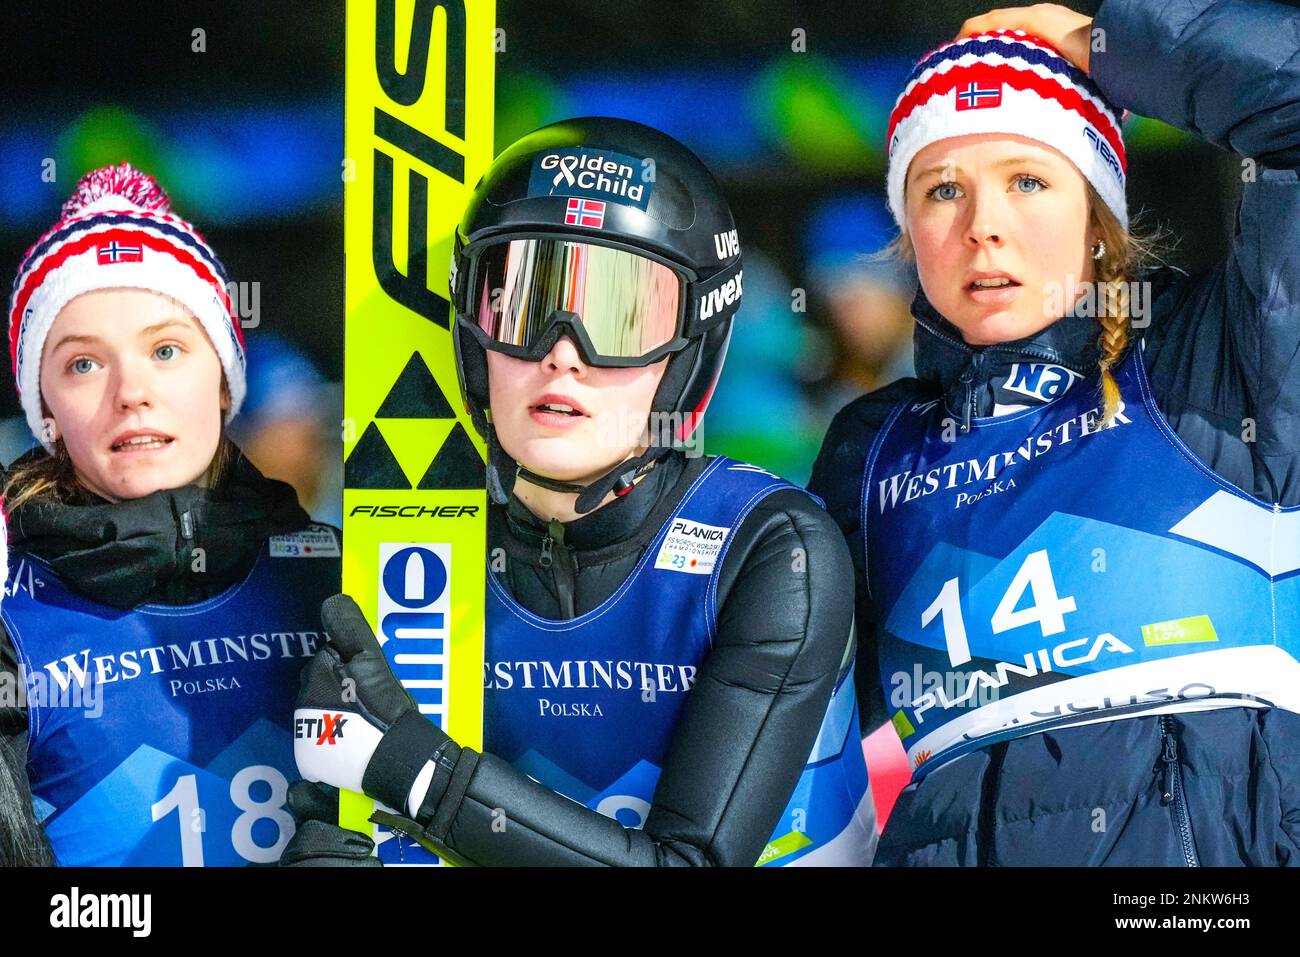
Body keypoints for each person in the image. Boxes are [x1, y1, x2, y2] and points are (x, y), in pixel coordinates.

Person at [283, 118, 875, 867]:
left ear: (687, 354)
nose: (563, 353)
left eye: (620, 315)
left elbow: (688, 862)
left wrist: (418, 771)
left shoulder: (768, 547)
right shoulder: (422, 569)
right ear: (473, 337)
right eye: (525, 304)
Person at [811, 0, 1300, 866]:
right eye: (941, 190)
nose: (981, 225)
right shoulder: (872, 451)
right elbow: (778, 731)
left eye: (1028, 179)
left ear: (1100, 213)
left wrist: (1112, 43)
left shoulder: (1225, 354)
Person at [0, 163, 341, 866]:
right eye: (83, 365)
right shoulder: (11, 611)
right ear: (47, 413)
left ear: (222, 379)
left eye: (165, 350)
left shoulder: (341, 574)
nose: (131, 392)